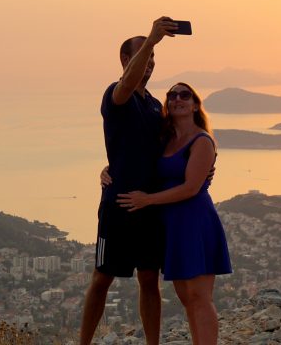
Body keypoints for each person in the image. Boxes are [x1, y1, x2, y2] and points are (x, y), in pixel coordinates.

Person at [79, 17, 180, 345]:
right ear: (126, 59)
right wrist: (151, 39)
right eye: (144, 56)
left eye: (153, 59)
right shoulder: (116, 95)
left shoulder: (154, 105)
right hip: (118, 206)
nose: (150, 63)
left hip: (149, 207)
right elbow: (126, 85)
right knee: (102, 277)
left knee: (150, 279)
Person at [117, 82, 232, 345]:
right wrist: (108, 169)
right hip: (173, 225)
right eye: (172, 95)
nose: (177, 99)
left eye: (184, 95)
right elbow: (139, 159)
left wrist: (148, 200)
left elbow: (191, 188)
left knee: (199, 297)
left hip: (194, 220)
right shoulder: (166, 139)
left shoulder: (202, 140)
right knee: (186, 297)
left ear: (195, 105)